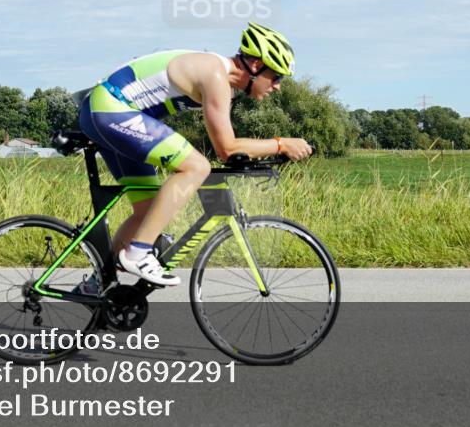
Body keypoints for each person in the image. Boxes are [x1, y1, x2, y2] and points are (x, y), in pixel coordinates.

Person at [77, 22, 313, 287]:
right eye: (277, 77)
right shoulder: (215, 75)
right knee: (196, 167)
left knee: (148, 211)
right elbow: (227, 148)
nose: (278, 86)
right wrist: (281, 144)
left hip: (108, 112)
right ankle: (138, 253)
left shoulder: (221, 81)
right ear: (257, 66)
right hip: (112, 109)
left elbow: (228, 146)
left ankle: (99, 284)